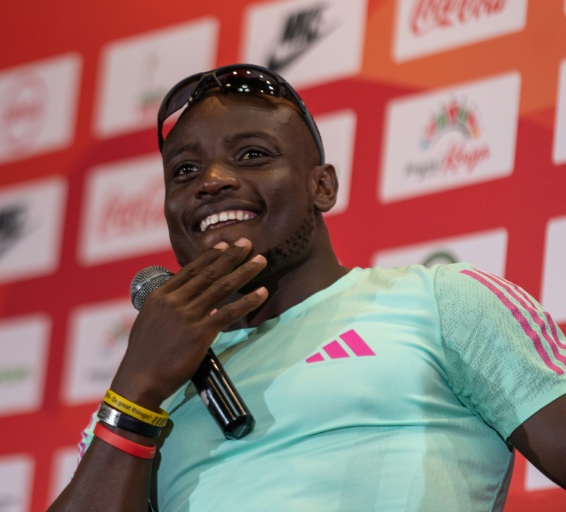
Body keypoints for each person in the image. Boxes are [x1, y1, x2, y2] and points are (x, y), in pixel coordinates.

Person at [49, 64, 566, 511]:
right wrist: (137, 389)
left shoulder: (442, 301)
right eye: (185, 170)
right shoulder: (144, 388)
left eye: (252, 154)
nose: (211, 180)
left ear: (322, 186)